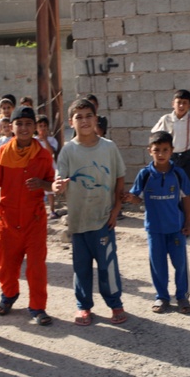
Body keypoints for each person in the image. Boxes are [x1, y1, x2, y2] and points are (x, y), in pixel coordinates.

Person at [52, 98, 127, 327]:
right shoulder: (68, 150)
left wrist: (116, 209)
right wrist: (57, 186)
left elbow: (119, 178)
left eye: (88, 116)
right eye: (79, 117)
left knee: (108, 267)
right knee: (81, 268)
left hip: (103, 219)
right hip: (78, 221)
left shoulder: (108, 147)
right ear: (71, 122)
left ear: (96, 119)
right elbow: (58, 179)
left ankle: (115, 304)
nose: (84, 121)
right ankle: (83, 307)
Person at [0, 106, 55, 325]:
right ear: (11, 127)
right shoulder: (3, 153)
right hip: (8, 220)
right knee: (6, 262)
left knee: (36, 266)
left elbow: (52, 183)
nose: (24, 128)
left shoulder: (42, 155)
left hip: (34, 220)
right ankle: (9, 295)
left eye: (28, 124)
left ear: (34, 127)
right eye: (19, 123)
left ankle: (38, 306)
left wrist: (43, 184)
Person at [123, 131, 190, 314]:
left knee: (180, 264)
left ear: (171, 151)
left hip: (176, 228)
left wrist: (188, 221)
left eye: (165, 150)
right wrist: (131, 199)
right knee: (158, 265)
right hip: (154, 229)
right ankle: (161, 297)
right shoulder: (145, 174)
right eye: (157, 150)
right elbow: (138, 197)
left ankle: (182, 296)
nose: (161, 154)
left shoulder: (178, 174)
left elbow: (186, 198)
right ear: (150, 151)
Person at [151, 89, 190, 205]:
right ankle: (171, 214)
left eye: (185, 103)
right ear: (173, 104)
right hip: (170, 158)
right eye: (178, 102)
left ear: (189, 105)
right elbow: (155, 135)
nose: (181, 106)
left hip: (187, 156)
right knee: (169, 185)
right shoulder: (166, 119)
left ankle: (187, 219)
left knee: (188, 187)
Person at [35, 115, 61, 219]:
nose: (42, 128)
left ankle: (52, 210)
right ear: (36, 128)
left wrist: (45, 140)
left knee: (49, 189)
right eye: (40, 126)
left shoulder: (52, 140)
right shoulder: (33, 141)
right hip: (37, 168)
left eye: (44, 125)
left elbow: (51, 152)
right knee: (38, 190)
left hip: (49, 167)